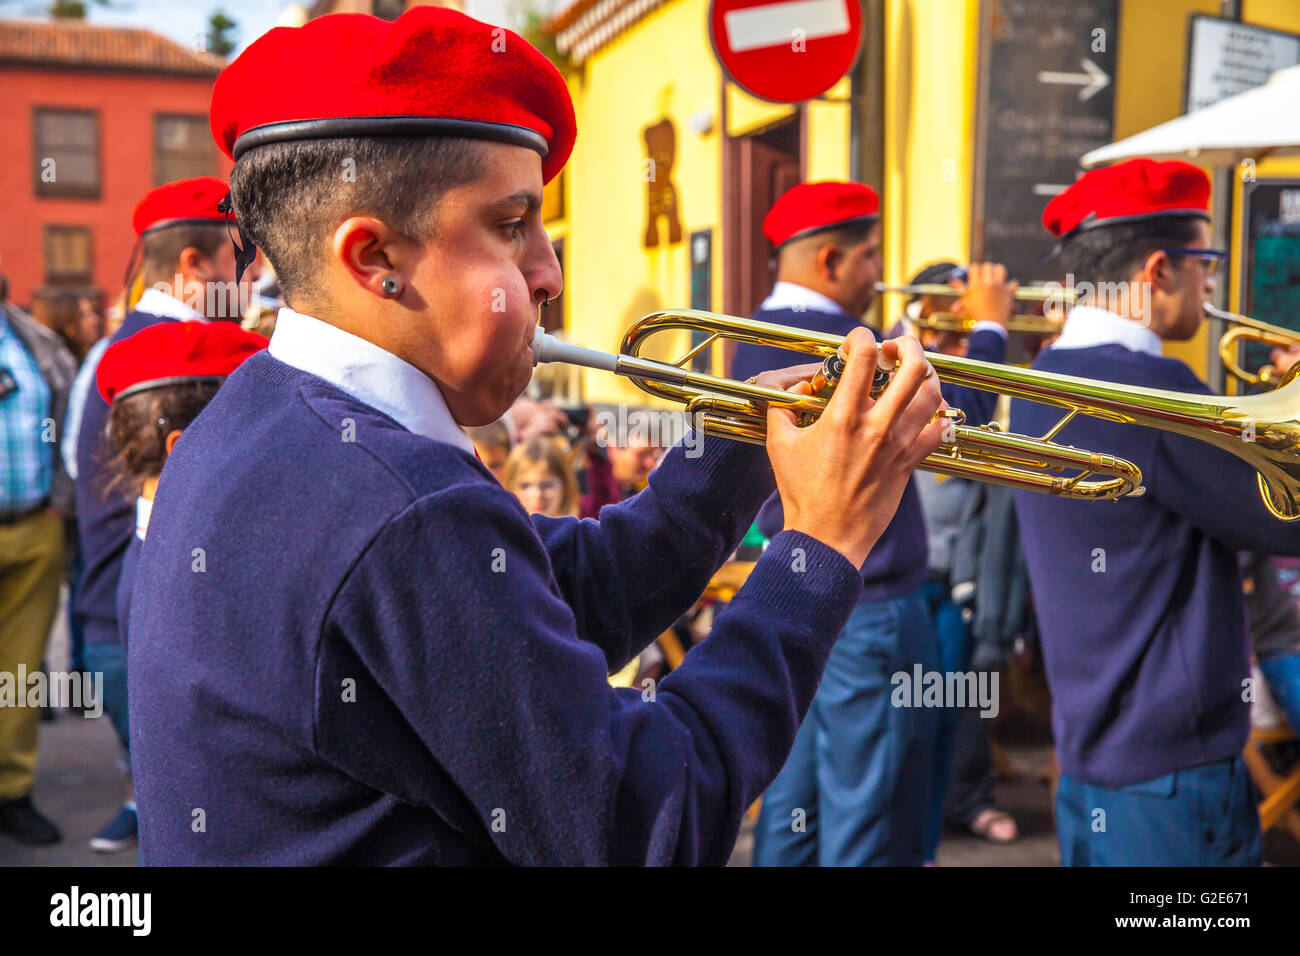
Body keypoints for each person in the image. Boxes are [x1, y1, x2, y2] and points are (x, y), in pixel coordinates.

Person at [126, 7, 947, 865]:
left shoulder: (258, 415)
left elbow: (551, 601)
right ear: (373, 258)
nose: (550, 271)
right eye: (512, 226)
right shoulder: (402, 505)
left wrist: (734, 449)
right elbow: (651, 823)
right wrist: (821, 544)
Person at [1010, 157, 1300, 866]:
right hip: (1173, 773)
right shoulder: (1158, 392)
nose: (1211, 284)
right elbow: (1283, 518)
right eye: (1207, 262)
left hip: (1090, 755)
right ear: (1159, 268)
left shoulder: (1042, 381)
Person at [737, 182, 1012, 866]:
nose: (878, 274)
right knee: (873, 808)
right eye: (868, 258)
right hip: (870, 605)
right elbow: (957, 413)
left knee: (795, 804)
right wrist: (991, 327)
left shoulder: (757, 338)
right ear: (829, 261)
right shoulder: (835, 343)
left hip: (799, 596)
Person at [72, 176, 261, 852]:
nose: (258, 275)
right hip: (146, 619)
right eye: (246, 258)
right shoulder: (178, 360)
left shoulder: (120, 353)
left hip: (114, 612)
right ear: (194, 266)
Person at [0, 277, 76, 845]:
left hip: (35, 525)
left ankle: (13, 793)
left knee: (20, 674)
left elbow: (66, 418)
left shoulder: (34, 341)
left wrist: (59, 501)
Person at [503, 436, 580, 518]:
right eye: (525, 486)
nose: (537, 495)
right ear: (510, 488)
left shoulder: (581, 529)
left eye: (547, 485)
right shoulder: (498, 530)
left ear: (566, 487)